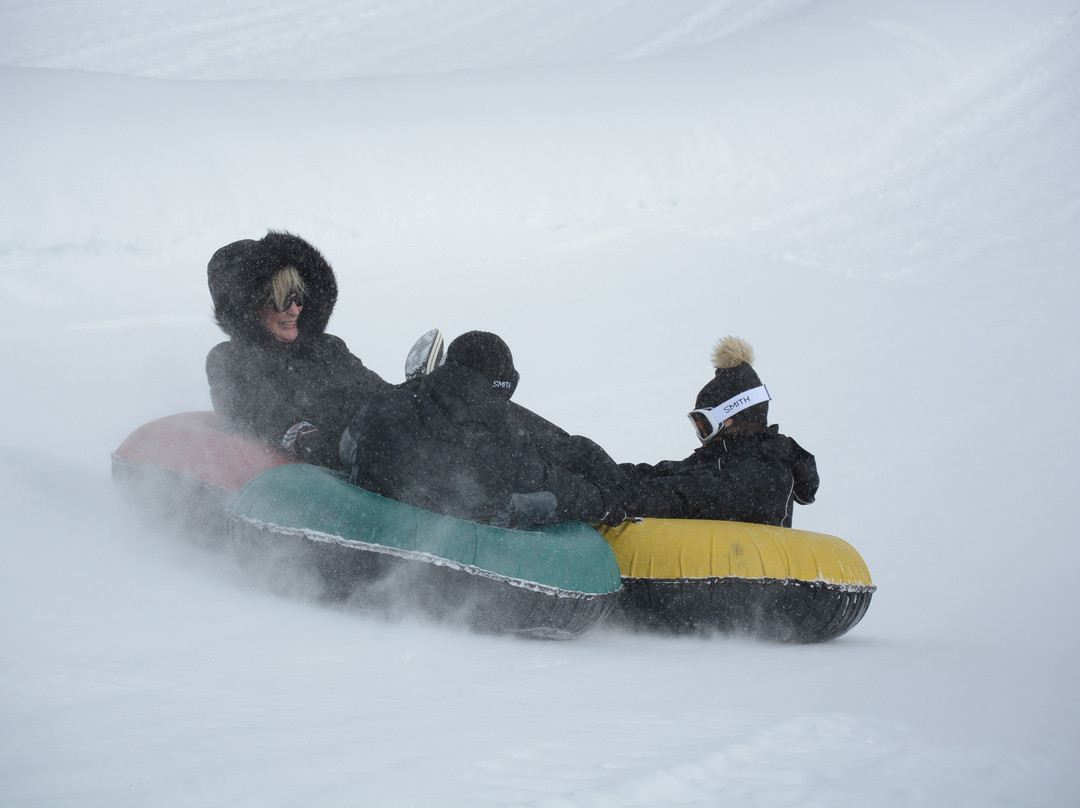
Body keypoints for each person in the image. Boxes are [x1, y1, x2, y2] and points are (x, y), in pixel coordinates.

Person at [340, 331, 628, 529]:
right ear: (499, 386)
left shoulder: (386, 403)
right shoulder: (502, 435)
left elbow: (348, 446)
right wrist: (601, 504)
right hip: (453, 534)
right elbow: (547, 484)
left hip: (372, 520)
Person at [206, 230, 393, 468]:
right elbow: (256, 418)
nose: (294, 310)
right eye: (282, 300)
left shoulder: (327, 348)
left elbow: (377, 392)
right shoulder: (230, 360)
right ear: (251, 307)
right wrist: (304, 437)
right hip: (339, 465)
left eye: (299, 298)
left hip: (377, 445)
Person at [622, 336, 818, 527]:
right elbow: (662, 473)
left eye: (704, 424)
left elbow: (689, 496)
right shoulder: (717, 459)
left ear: (730, 417)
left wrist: (620, 496)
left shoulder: (763, 470)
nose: (701, 436)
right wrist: (603, 471)